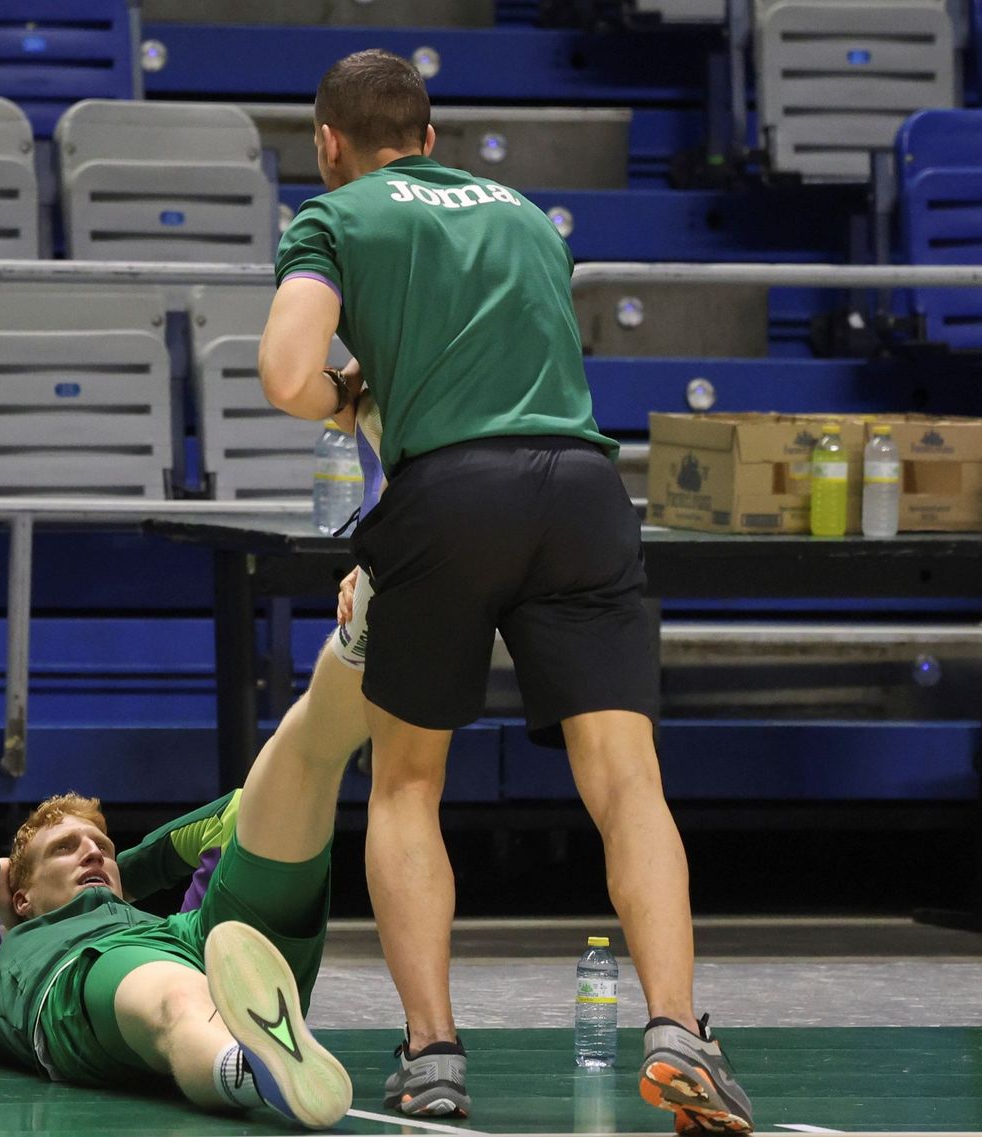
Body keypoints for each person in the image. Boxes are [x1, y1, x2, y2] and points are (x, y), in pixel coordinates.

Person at [257, 48, 754, 1133]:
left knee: (406, 784)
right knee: (628, 784)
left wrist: (345, 394)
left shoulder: (332, 218)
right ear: (430, 138)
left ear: (328, 145)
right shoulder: (529, 215)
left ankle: (432, 1055)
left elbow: (286, 374)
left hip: (451, 497)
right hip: (582, 489)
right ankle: (678, 1030)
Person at [0, 632, 370, 1130]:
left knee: (279, 788)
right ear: (22, 897)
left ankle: (358, 640)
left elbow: (233, 815)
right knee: (178, 994)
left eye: (100, 847)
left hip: (196, 944)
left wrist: (121, 875)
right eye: (64, 848)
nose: (89, 850)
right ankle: (252, 1069)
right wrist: (7, 877)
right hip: (81, 972)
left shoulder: (166, 920)